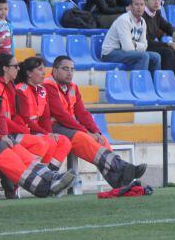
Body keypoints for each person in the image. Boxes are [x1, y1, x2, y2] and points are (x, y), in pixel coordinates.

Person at [0, 53, 76, 198]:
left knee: (16, 149)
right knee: (8, 155)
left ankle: (51, 177)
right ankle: (43, 187)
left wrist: (3, 135)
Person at [44, 55, 148, 187]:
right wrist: (86, 132)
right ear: (54, 70)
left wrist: (96, 132)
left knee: (101, 139)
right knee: (82, 137)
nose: (69, 72)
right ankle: (123, 168)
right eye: (65, 69)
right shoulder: (48, 85)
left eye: (72, 69)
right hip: (53, 127)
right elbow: (61, 115)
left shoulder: (73, 87)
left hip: (68, 127)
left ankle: (120, 182)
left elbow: (82, 113)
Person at [14, 55, 74, 181]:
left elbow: (45, 118)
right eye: (40, 69)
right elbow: (26, 119)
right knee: (48, 142)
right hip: (21, 131)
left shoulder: (42, 90)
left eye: (44, 69)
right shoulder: (20, 90)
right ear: (29, 73)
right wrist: (46, 134)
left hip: (36, 131)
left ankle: (50, 175)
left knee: (64, 142)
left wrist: (49, 133)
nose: (44, 73)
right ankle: (43, 178)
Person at [101, 0, 161, 71]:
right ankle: (139, 82)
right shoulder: (124, 20)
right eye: (136, 4)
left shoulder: (143, 22)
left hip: (126, 52)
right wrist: (138, 46)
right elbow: (127, 48)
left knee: (156, 57)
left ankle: (150, 82)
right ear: (131, 7)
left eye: (142, 4)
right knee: (143, 56)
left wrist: (135, 44)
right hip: (110, 53)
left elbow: (145, 46)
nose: (139, 7)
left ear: (145, 7)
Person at [144, 0, 175, 73]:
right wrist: (168, 44)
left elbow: (166, 26)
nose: (157, 2)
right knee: (167, 52)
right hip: (143, 46)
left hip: (152, 45)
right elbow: (145, 42)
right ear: (146, 1)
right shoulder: (141, 15)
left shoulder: (157, 13)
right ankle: (167, 82)